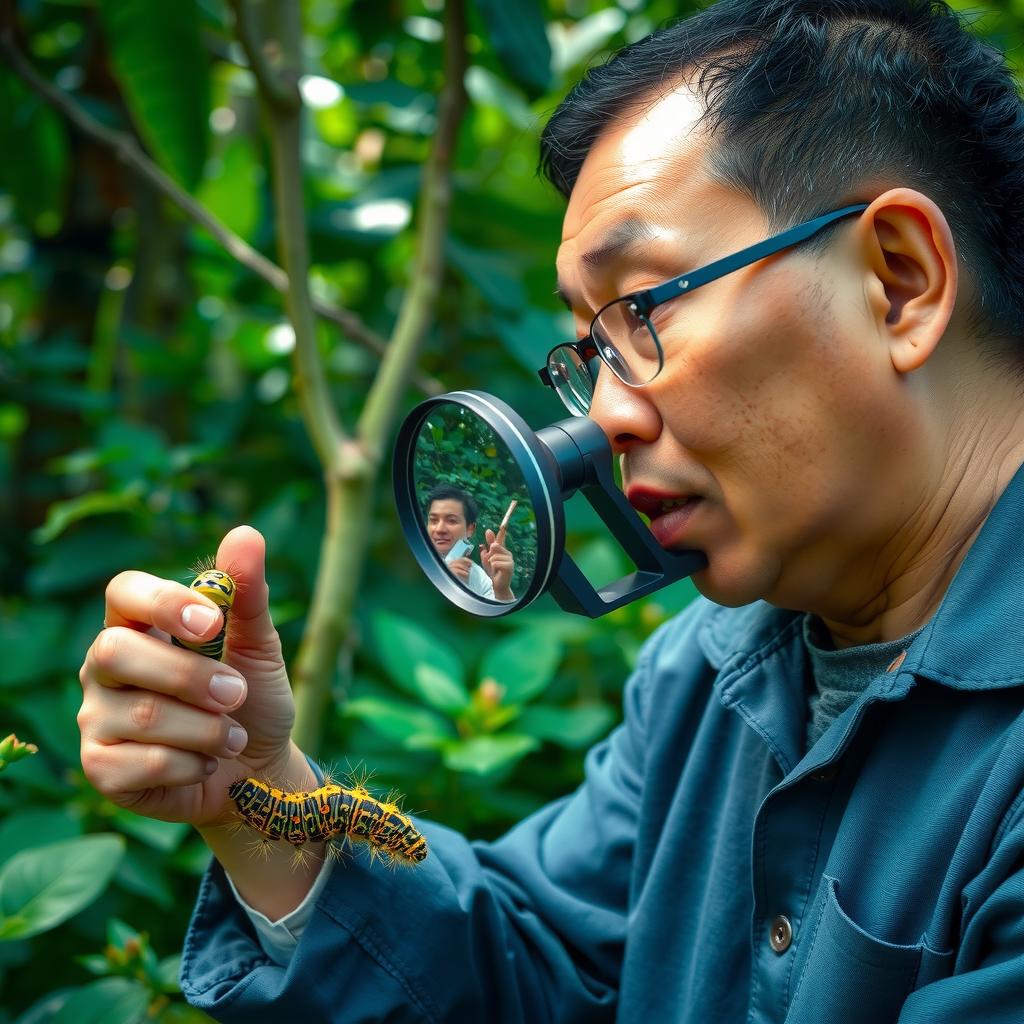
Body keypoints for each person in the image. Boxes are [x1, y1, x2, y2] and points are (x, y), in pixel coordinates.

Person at [76, 1, 1024, 1020]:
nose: (609, 414)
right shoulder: (705, 674)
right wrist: (263, 793)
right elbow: (535, 971)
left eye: (642, 311)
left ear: (898, 282)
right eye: (589, 350)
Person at [423, 483, 516, 602]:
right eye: (434, 520)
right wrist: (444, 584)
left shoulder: (478, 577)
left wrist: (502, 589)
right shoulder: (408, 557)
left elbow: (499, 618)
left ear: (470, 529)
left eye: (451, 521)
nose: (440, 529)